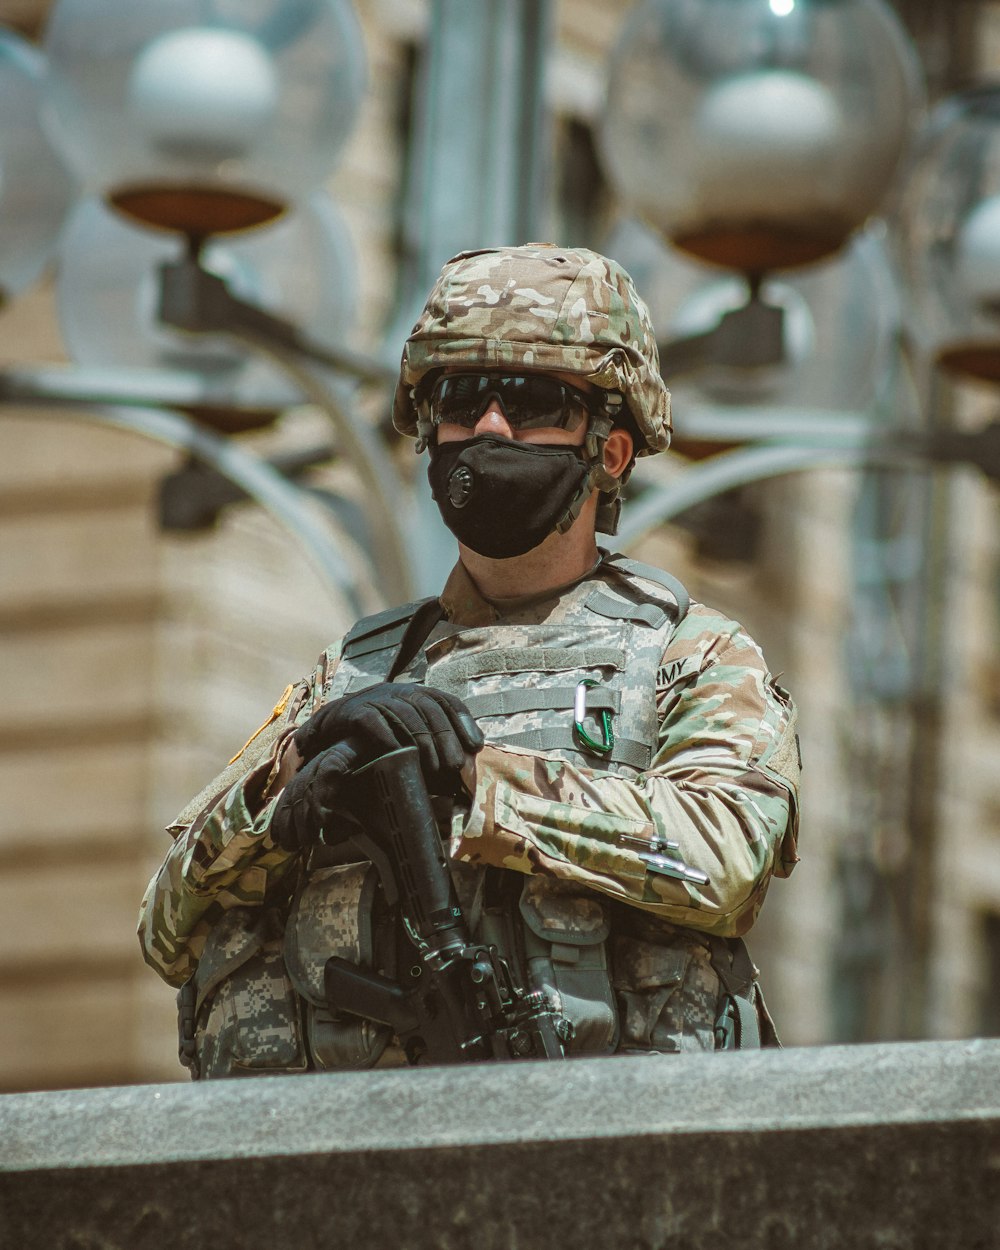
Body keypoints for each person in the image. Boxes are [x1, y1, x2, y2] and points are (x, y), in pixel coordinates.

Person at [138, 243, 800, 1076]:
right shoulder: (352, 671)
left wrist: (474, 782)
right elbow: (164, 924)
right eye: (460, 399)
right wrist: (297, 765)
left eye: (529, 401)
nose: (489, 427)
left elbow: (725, 862)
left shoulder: (690, 654)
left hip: (606, 1150)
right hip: (329, 1163)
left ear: (610, 450)